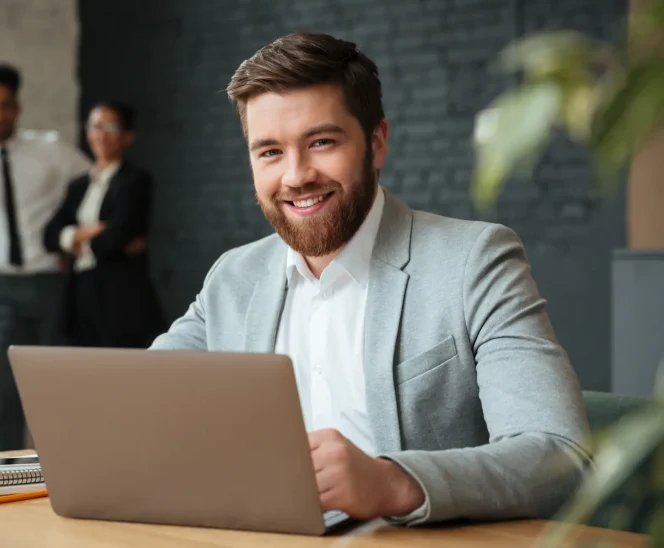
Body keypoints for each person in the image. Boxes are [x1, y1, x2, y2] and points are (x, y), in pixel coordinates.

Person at [150, 32, 592, 525]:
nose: (296, 176)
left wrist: (390, 482)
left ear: (376, 143)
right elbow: (137, 402)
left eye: (321, 142)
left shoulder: (474, 261)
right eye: (270, 152)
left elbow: (561, 458)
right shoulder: (233, 277)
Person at [0, 63, 92, 451]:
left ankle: (65, 471)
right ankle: (5, 476)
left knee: (55, 388)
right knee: (6, 394)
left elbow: (94, 184)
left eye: (5, 105)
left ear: (18, 108)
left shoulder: (50, 149)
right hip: (2, 288)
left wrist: (72, 238)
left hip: (50, 284)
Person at [43, 102, 166, 348]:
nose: (101, 134)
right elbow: (48, 236)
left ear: (127, 136)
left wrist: (74, 244)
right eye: (96, 126)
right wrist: (80, 236)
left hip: (120, 296)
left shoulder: (135, 181)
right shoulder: (78, 185)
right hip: (80, 293)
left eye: (111, 127)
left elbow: (118, 236)